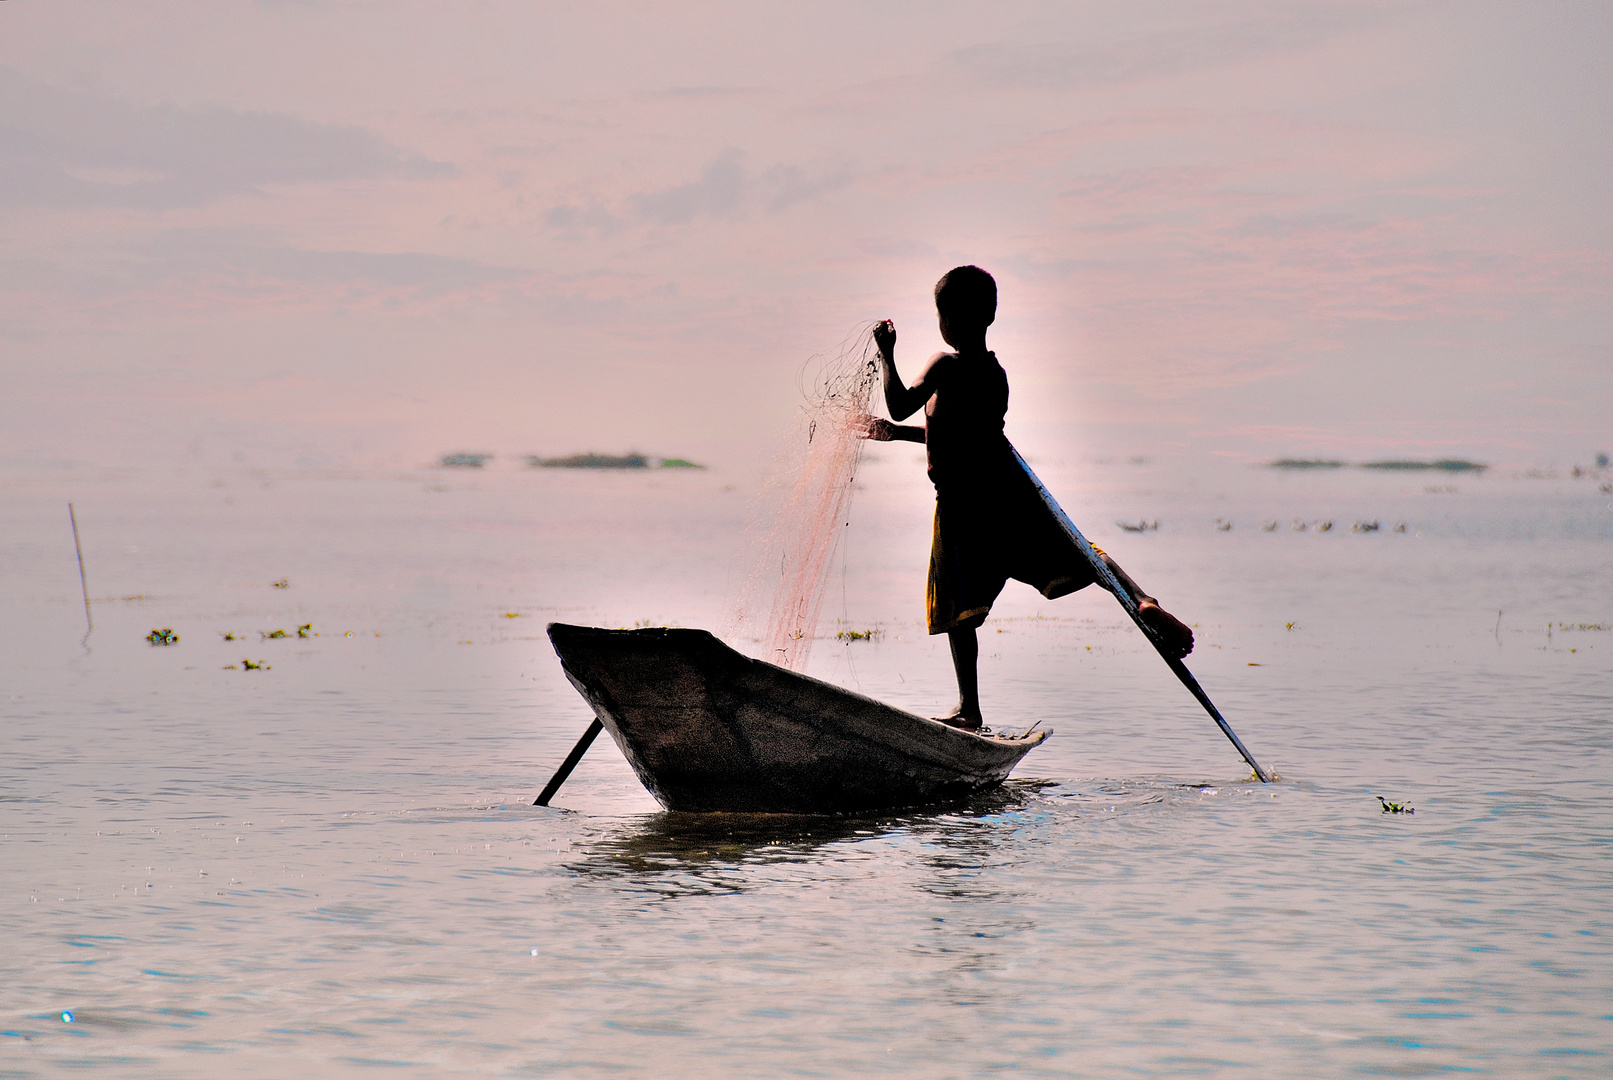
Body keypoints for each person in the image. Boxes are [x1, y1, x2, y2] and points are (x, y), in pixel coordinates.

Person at [860, 265, 1195, 730]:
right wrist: (897, 437)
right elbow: (965, 438)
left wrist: (887, 354)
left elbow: (898, 400)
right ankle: (1141, 597)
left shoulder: (943, 365)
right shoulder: (995, 374)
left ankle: (969, 709)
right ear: (990, 317)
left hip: (962, 508)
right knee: (1079, 553)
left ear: (949, 319)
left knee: (958, 610)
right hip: (1003, 498)